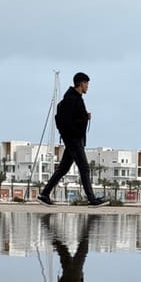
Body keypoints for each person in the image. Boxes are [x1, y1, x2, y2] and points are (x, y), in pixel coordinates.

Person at [37, 72, 108, 207]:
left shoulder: (75, 98)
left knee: (63, 168)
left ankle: (44, 194)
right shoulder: (72, 99)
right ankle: (92, 199)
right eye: (86, 83)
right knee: (84, 168)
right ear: (81, 83)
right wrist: (83, 120)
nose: (88, 86)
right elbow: (68, 121)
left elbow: (73, 118)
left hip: (73, 140)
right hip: (73, 140)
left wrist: (84, 117)